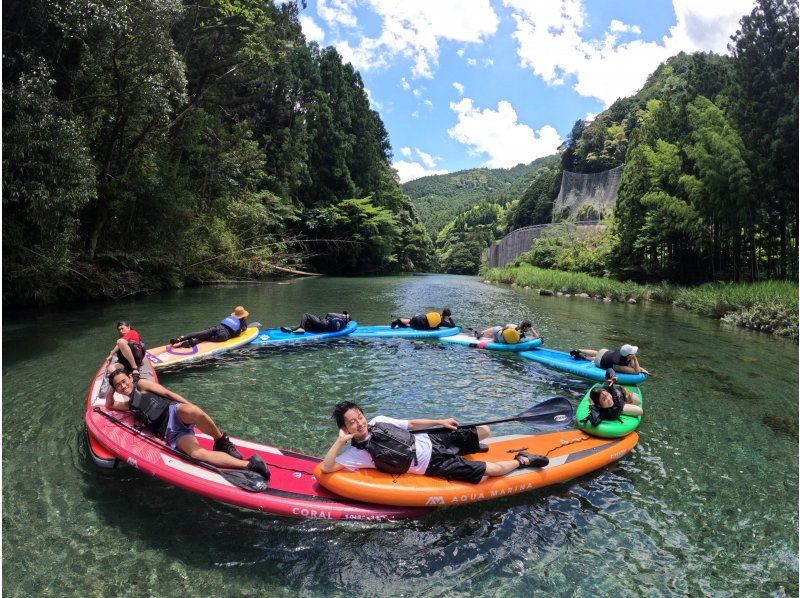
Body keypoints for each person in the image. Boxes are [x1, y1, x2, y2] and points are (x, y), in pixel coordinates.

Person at [104, 365, 269, 479]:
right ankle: (249, 465)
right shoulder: (129, 405)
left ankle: (220, 441)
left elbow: (168, 393)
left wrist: (187, 404)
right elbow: (109, 405)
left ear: (130, 378)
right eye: (118, 385)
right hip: (171, 433)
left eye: (124, 381)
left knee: (194, 411)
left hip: (174, 412)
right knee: (197, 454)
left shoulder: (142, 384)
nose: (123, 386)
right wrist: (112, 387)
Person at [320, 401, 549, 483]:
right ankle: (522, 461)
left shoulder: (379, 421)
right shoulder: (356, 454)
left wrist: (440, 421)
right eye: (352, 422)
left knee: (485, 430)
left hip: (432, 439)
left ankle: (469, 446)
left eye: (359, 416)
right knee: (495, 470)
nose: (359, 423)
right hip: (434, 466)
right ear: (344, 428)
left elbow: (411, 425)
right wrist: (340, 442)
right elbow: (326, 467)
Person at [170, 306, 249, 348]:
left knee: (199, 333)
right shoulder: (241, 323)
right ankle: (189, 342)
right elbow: (239, 333)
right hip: (223, 335)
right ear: (243, 316)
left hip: (217, 328)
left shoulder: (229, 317)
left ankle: (179, 339)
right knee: (205, 339)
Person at [569, 343, 650, 375]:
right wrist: (635, 359)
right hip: (600, 361)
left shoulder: (623, 351)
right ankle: (584, 357)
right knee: (593, 359)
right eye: (633, 353)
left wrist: (643, 369)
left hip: (604, 352)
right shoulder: (619, 366)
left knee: (596, 353)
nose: (635, 354)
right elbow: (636, 371)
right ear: (629, 355)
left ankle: (579, 350)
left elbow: (634, 366)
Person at [280, 311, 351, 334]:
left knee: (306, 315)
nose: (343, 314)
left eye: (344, 314)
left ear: (345, 317)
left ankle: (301, 328)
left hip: (322, 324)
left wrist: (339, 314)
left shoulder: (340, 317)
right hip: (322, 330)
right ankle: (290, 329)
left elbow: (329, 314)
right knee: (306, 325)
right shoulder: (343, 325)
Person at [390, 308, 455, 330]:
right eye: (448, 316)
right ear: (447, 316)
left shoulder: (436, 314)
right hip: (420, 324)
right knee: (411, 326)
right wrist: (450, 319)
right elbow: (453, 326)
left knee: (411, 321)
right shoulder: (442, 322)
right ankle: (401, 322)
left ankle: (401, 320)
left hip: (418, 317)